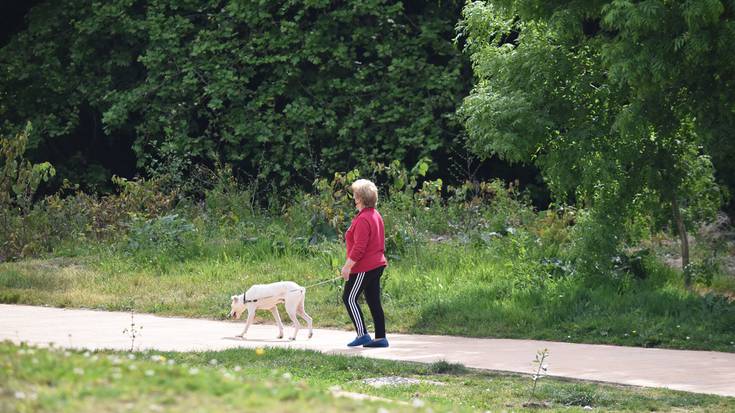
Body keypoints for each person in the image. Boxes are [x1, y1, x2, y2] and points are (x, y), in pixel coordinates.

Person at [341, 178, 389, 347]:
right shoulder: (375, 215)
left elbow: (360, 248)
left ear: (360, 198)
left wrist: (347, 267)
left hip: (365, 266)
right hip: (377, 264)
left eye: (355, 194)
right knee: (373, 300)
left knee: (349, 298)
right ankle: (380, 338)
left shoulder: (363, 219)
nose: (353, 197)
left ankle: (362, 334)